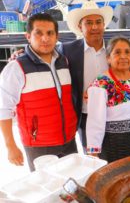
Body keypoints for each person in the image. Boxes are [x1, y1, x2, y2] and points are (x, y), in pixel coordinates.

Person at [0, 13, 78, 171]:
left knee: (72, 188)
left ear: (57, 36)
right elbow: (3, 108)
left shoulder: (64, 62)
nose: (45, 38)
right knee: (49, 191)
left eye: (50, 33)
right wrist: (10, 146)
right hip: (39, 145)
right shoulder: (16, 68)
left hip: (69, 139)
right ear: (28, 36)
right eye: (39, 33)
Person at [85, 36, 130, 163]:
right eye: (117, 52)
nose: (123, 56)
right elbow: (95, 122)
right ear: (108, 58)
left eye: (127, 52)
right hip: (114, 145)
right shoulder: (101, 84)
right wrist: (93, 153)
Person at [60, 1, 113, 153]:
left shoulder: (114, 48)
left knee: (115, 154)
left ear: (104, 25)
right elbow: (47, 57)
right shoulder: (67, 49)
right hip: (85, 115)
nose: (94, 27)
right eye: (88, 23)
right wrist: (21, 53)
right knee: (92, 156)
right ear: (80, 27)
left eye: (98, 22)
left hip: (113, 113)